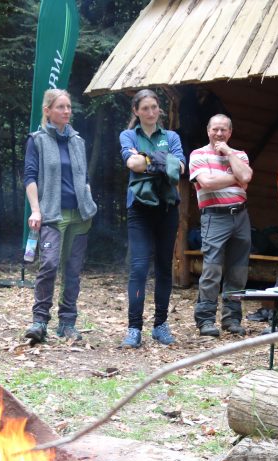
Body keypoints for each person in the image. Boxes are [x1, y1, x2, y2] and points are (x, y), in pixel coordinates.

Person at [21, 89, 97, 344]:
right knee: (50, 264)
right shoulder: (37, 140)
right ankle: (39, 321)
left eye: (68, 107)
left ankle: (67, 323)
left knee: (73, 270)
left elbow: (83, 177)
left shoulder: (77, 141)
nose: (66, 111)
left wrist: (87, 197)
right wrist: (36, 209)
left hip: (80, 215)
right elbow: (30, 176)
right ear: (48, 111)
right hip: (52, 214)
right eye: (61, 107)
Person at [118, 89, 185, 348]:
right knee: (138, 268)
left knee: (164, 267)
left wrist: (146, 159)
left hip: (167, 209)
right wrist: (161, 162)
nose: (150, 112)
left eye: (154, 107)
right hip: (139, 210)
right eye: (144, 108)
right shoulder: (128, 135)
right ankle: (134, 328)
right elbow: (131, 164)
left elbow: (179, 168)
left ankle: (160, 325)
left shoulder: (171, 136)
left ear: (159, 109)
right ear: (136, 111)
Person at [189, 114, 252, 337]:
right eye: (215, 129)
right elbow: (206, 183)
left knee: (238, 270)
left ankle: (232, 318)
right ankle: (205, 320)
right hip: (214, 216)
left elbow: (247, 175)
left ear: (230, 133)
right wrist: (235, 178)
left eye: (223, 130)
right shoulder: (198, 155)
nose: (219, 134)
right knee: (212, 269)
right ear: (208, 131)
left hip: (240, 216)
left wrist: (228, 153)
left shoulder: (239, 154)